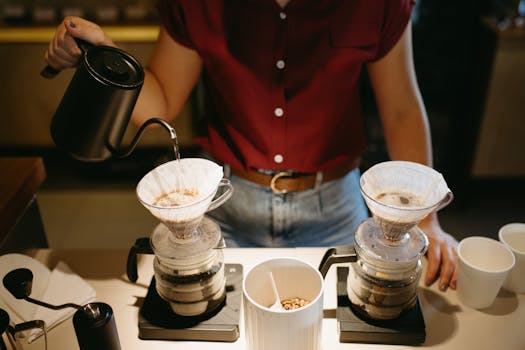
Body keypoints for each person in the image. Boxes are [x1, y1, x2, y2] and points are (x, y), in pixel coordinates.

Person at [44, 0, 458, 291]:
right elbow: (163, 98)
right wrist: (103, 55)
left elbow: (402, 109)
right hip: (228, 206)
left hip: (333, 207)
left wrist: (425, 221)